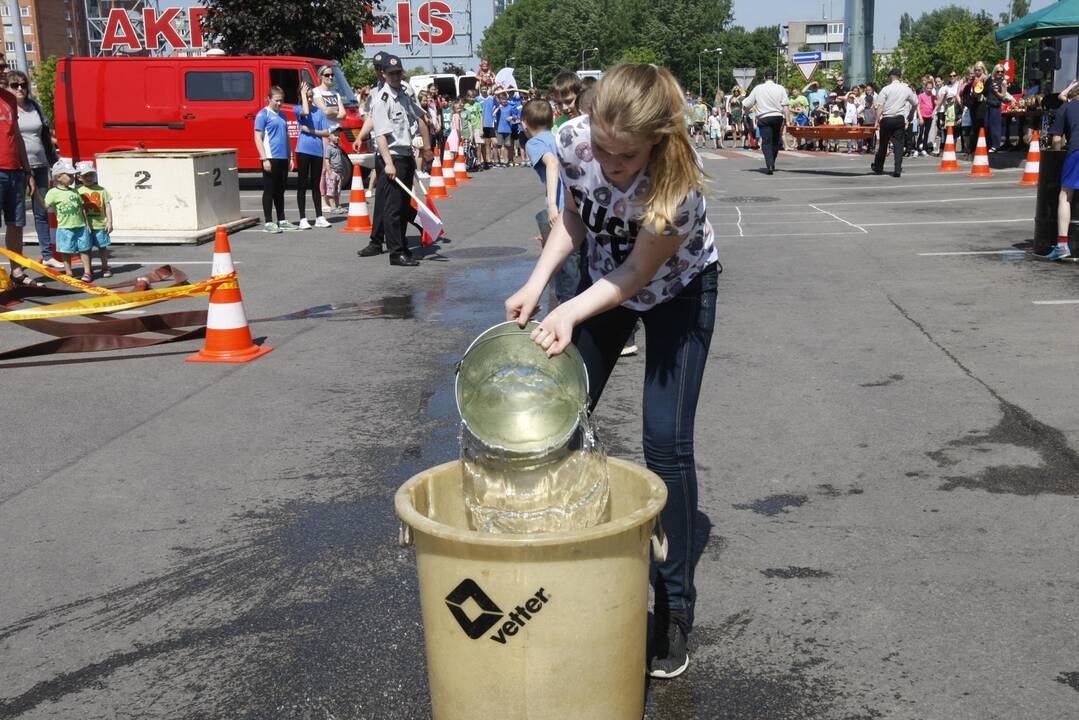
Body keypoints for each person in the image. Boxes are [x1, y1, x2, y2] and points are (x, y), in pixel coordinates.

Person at [504, 64, 718, 679]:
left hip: (675, 290)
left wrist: (569, 309)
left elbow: (638, 277)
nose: (606, 162)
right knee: (559, 420)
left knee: (666, 442)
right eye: (600, 146)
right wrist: (537, 283)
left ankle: (674, 606)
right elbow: (574, 219)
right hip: (601, 283)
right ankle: (565, 560)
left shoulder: (677, 189)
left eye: (623, 157)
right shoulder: (572, 140)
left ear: (655, 141)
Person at [366, 54, 433, 267]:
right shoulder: (380, 100)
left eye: (398, 73)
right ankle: (396, 253)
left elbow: (420, 116)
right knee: (393, 208)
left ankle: (402, 246)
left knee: (404, 207)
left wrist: (427, 147)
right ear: (383, 74)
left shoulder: (403, 95)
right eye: (391, 73)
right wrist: (388, 163)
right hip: (392, 156)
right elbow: (381, 136)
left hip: (406, 155)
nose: (396, 76)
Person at [522, 98, 577, 307]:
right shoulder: (555, 137)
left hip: (562, 209)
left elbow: (552, 163)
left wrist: (552, 205)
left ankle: (568, 311)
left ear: (524, 123)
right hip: (574, 205)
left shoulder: (534, 143)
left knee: (565, 267)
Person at [9, 69, 60, 269]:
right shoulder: (7, 109)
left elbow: (45, 137)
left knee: (42, 211)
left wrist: (54, 161)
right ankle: (17, 263)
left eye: (23, 84)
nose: (20, 88)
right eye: (15, 85)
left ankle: (47, 254)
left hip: (40, 165)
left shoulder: (34, 107)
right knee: (16, 216)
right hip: (17, 166)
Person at [0, 68, 40, 287]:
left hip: (14, 170)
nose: (2, 71)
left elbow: (16, 135)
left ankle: (16, 272)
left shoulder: (8, 97)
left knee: (16, 223)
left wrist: (27, 171)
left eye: (3, 67)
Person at [254, 85, 295, 233]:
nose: (279, 103)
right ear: (269, 99)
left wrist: (290, 156)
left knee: (280, 190)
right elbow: (257, 137)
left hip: (283, 157)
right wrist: (264, 159)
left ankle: (281, 219)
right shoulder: (262, 115)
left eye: (281, 101)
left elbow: (287, 138)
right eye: (276, 100)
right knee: (269, 190)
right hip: (270, 157)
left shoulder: (283, 115)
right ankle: (269, 222)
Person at [1047, 80, 1079, 259]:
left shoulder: (1065, 108)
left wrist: (1057, 156)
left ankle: (1062, 245)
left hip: (1076, 150)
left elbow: (1057, 140)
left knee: (1065, 195)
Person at [44, 160, 90, 280]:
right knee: (66, 251)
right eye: (69, 175)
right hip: (65, 227)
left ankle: (87, 272)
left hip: (80, 226)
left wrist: (87, 223)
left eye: (73, 175)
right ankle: (69, 272)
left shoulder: (74, 191)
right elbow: (45, 205)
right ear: (59, 177)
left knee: (84, 249)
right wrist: (37, 196)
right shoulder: (53, 192)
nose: (72, 178)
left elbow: (81, 207)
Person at [295, 81, 331, 229]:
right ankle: (303, 218)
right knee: (302, 184)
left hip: (317, 151)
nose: (310, 99)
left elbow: (326, 132)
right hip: (303, 150)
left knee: (315, 184)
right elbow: (306, 111)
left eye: (311, 96)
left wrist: (310, 130)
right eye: (307, 96)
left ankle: (319, 216)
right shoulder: (297, 108)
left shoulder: (319, 112)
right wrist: (303, 94)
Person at [740, 68, 789, 174]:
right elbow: (785, 105)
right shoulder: (780, 88)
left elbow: (747, 104)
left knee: (766, 142)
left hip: (764, 118)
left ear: (764, 78)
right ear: (775, 78)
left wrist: (744, 113)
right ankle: (772, 161)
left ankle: (770, 164)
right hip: (777, 117)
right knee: (775, 141)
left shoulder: (758, 88)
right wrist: (788, 121)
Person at [871, 68, 918, 178]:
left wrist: (877, 120)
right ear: (899, 77)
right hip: (899, 119)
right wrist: (911, 115)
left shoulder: (886, 89)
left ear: (891, 77)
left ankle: (878, 167)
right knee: (899, 144)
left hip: (887, 119)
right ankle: (897, 169)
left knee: (883, 144)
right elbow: (915, 103)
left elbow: (880, 106)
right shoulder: (906, 89)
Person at [74, 161, 111, 278]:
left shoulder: (101, 190)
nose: (89, 178)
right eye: (85, 175)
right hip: (84, 226)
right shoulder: (77, 191)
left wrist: (109, 222)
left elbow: (107, 206)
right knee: (85, 248)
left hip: (100, 224)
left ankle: (105, 267)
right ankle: (88, 270)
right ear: (79, 177)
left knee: (102, 247)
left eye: (91, 174)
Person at [960, 62, 998, 159]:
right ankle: (972, 150)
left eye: (979, 70)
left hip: (984, 106)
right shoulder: (972, 81)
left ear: (983, 69)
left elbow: (990, 93)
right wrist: (969, 103)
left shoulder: (987, 79)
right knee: (975, 128)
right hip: (974, 106)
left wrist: (984, 97)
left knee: (983, 127)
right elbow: (965, 94)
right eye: (976, 70)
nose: (977, 72)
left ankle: (984, 149)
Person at [323, 129, 350, 213]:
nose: (338, 137)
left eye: (339, 136)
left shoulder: (338, 147)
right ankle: (333, 207)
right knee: (331, 190)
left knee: (338, 191)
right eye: (335, 135)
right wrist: (329, 171)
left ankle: (338, 206)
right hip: (333, 172)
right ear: (329, 137)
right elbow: (326, 160)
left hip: (339, 172)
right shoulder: (329, 148)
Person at [479, 83, 499, 169]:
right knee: (486, 144)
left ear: (487, 89)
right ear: (480, 90)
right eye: (482, 89)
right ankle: (488, 160)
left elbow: (498, 106)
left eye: (485, 89)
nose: (484, 90)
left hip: (490, 123)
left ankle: (496, 161)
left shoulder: (492, 98)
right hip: (482, 124)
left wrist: (494, 113)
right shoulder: (477, 99)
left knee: (495, 143)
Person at [917, 77, 936, 156]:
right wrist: (920, 117)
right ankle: (918, 148)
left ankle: (924, 148)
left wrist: (933, 113)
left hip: (929, 116)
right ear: (925, 87)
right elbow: (918, 106)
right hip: (922, 116)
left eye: (930, 88)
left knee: (926, 133)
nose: (929, 89)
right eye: (928, 88)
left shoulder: (933, 96)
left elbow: (936, 105)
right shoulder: (921, 96)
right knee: (921, 133)